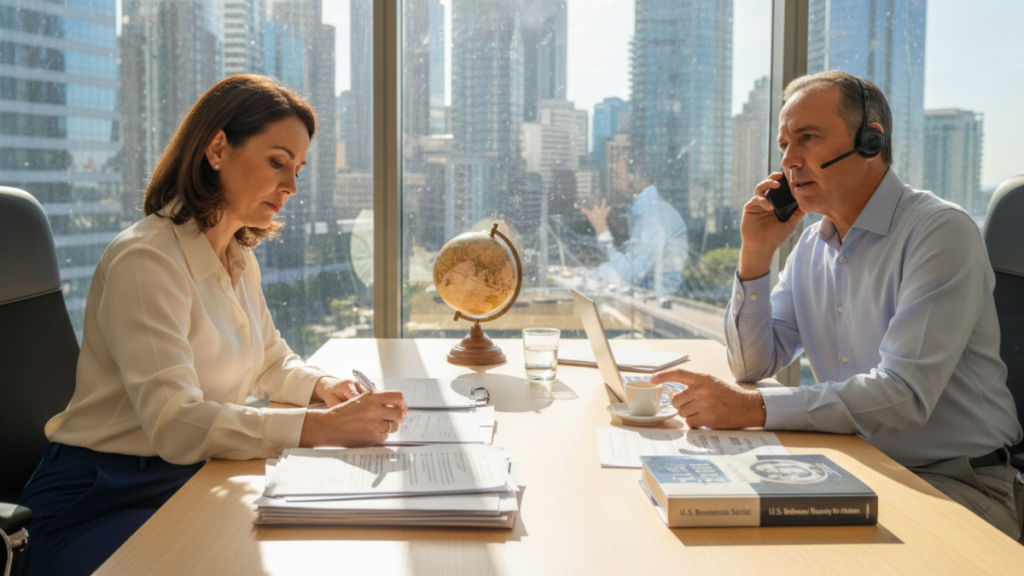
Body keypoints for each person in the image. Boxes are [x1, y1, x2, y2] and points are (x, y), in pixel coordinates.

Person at [17, 75, 407, 576]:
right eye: (277, 161)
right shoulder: (147, 260)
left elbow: (269, 359)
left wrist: (326, 388)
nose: (290, 185)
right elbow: (175, 422)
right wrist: (320, 428)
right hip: (98, 498)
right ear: (218, 148)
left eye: (298, 168)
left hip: (189, 477)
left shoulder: (237, 254)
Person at [650, 70, 1023, 538]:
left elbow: (903, 395)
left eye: (807, 138)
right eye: (784, 144)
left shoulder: (940, 232)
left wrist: (753, 408)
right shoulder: (810, 249)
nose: (789, 160)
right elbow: (752, 363)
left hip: (957, 481)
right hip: (854, 465)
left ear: (870, 141)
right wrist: (756, 256)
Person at [580, 160, 688, 295]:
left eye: (619, 177)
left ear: (631, 178)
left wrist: (602, 232)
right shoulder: (646, 208)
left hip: (658, 306)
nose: (616, 183)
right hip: (648, 298)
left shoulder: (652, 214)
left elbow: (630, 275)